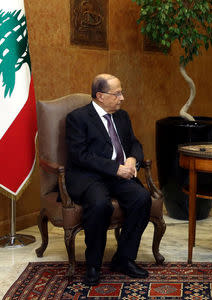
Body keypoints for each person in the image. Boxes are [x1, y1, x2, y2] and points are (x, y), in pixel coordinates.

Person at [65, 74, 151, 286]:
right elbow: (80, 156)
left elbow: (134, 143)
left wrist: (132, 159)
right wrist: (115, 169)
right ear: (100, 96)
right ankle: (93, 265)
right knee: (100, 205)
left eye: (121, 92)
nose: (122, 98)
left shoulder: (122, 116)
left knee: (142, 198)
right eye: (117, 93)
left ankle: (124, 258)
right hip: (89, 176)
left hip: (119, 175)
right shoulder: (77, 118)